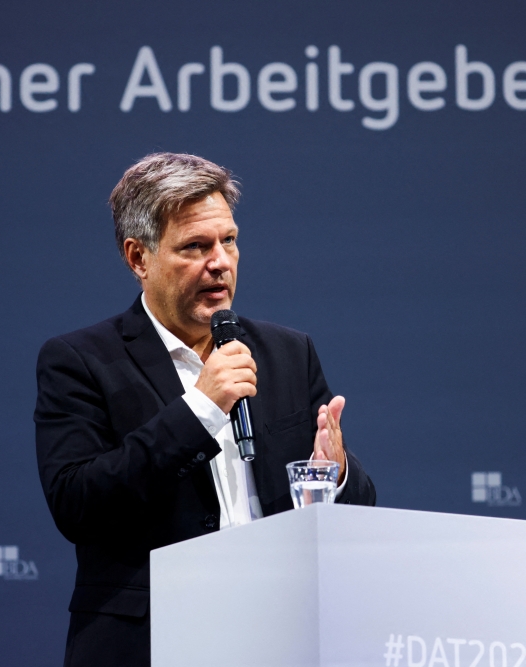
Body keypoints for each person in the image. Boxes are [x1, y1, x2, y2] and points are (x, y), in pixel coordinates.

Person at [34, 153, 376, 667]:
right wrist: (201, 410)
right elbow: (78, 503)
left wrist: (335, 474)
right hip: (152, 643)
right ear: (138, 258)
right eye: (195, 246)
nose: (220, 261)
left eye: (229, 241)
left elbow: (356, 510)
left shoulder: (287, 352)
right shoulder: (80, 361)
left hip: (279, 637)